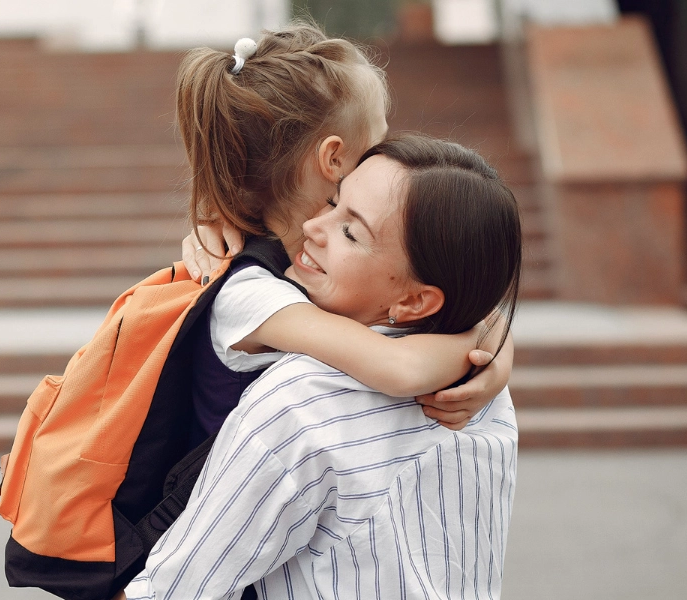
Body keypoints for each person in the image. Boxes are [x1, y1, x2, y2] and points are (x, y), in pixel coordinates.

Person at [124, 134, 522, 600]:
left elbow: (173, 591)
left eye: (351, 231)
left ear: (415, 301)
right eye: (333, 202)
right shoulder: (482, 392)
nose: (313, 225)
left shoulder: (301, 404)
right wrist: (487, 336)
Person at [169, 23, 513, 449]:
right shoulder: (251, 292)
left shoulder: (318, 263)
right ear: (333, 157)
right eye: (377, 139)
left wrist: (495, 339)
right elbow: (401, 368)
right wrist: (485, 349)